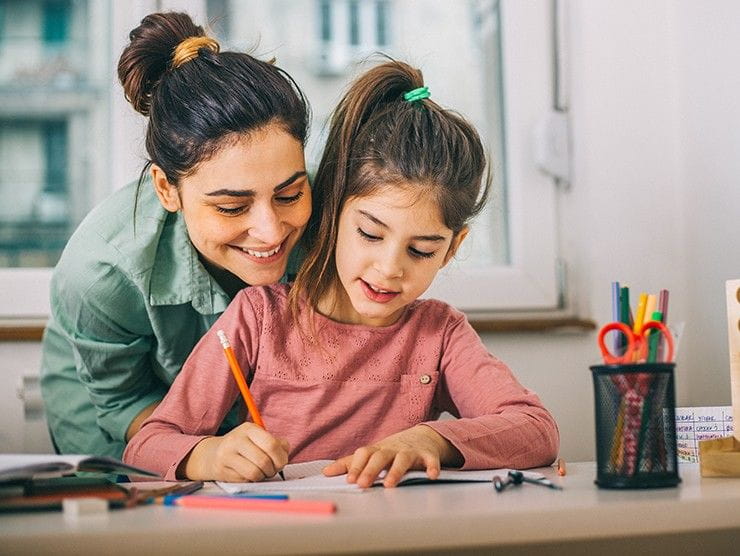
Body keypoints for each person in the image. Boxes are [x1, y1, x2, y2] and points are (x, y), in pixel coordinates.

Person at [124, 60, 559, 487]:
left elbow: (536, 430)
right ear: (332, 212)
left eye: (421, 250)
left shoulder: (439, 334)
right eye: (370, 234)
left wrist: (429, 439)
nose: (390, 269)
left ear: (452, 249)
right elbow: (146, 445)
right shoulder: (259, 318)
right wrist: (209, 454)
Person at [40, 12, 312, 459]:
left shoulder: (337, 217)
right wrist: (205, 453)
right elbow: (122, 401)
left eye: (289, 194)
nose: (270, 231)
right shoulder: (101, 272)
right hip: (118, 408)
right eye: (231, 207)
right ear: (168, 189)